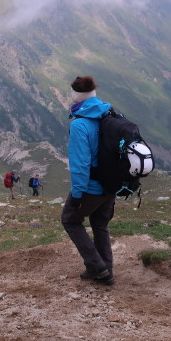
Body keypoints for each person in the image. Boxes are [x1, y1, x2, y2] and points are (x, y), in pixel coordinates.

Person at [61, 75, 116, 285]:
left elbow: (80, 165)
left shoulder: (80, 125)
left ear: (76, 96)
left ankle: (96, 266)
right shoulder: (108, 113)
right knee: (100, 225)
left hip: (92, 187)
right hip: (111, 185)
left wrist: (77, 196)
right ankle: (107, 271)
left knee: (70, 220)